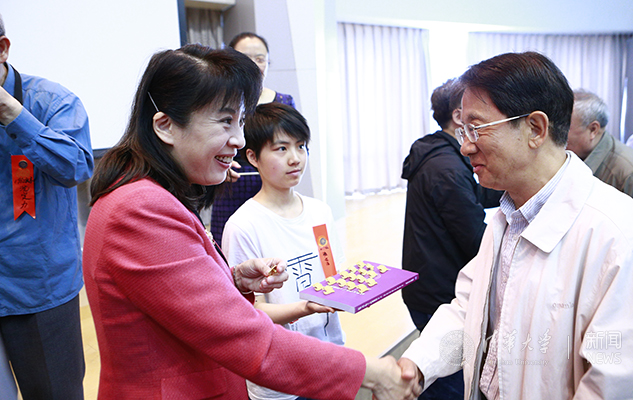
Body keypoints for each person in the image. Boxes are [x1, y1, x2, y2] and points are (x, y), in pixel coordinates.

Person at [82, 43, 420, 400]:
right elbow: (248, 339)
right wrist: (371, 373)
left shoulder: (146, 195)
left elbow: (173, 299)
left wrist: (231, 280)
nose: (239, 139)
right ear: (165, 126)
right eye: (225, 121)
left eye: (240, 121)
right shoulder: (140, 210)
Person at [397, 51, 633, 399]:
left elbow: (614, 386)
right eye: (463, 130)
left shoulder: (623, 238)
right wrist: (417, 366)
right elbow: (469, 310)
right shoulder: (507, 216)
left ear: (535, 129)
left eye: (476, 128)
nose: (465, 146)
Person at [222, 102, 345, 400]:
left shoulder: (320, 212)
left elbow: (332, 277)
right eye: (281, 149)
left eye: (301, 146)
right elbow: (247, 312)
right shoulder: (243, 225)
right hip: (279, 376)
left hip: (329, 359)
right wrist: (305, 307)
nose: (295, 158)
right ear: (253, 157)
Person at [0, 14, 92, 399]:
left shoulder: (52, 101)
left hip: (37, 288)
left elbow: (76, 167)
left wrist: (12, 114)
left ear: (2, 49)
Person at [400, 78, 501, 400]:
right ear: (459, 116)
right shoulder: (446, 167)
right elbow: (475, 239)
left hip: (428, 285)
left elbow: (474, 194)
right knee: (449, 385)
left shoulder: (437, 153)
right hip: (440, 293)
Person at [211, 32, 296, 246]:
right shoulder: (217, 102)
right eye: (245, 58)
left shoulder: (284, 101)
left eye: (260, 59)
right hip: (231, 188)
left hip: (274, 188)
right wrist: (217, 164)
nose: (254, 65)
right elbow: (209, 143)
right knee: (229, 251)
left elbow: (297, 144)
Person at [567, 89, 633, 208]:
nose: (556, 133)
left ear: (593, 130)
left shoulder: (632, 174)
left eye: (565, 127)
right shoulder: (571, 157)